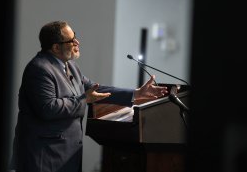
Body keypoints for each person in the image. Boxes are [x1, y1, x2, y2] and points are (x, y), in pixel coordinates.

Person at [10, 20, 168, 172]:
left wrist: (136, 93)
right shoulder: (39, 69)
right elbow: (48, 109)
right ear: (56, 47)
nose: (77, 42)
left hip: (66, 155)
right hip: (45, 156)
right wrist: (84, 99)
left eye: (75, 36)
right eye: (71, 40)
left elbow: (97, 91)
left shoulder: (70, 66)